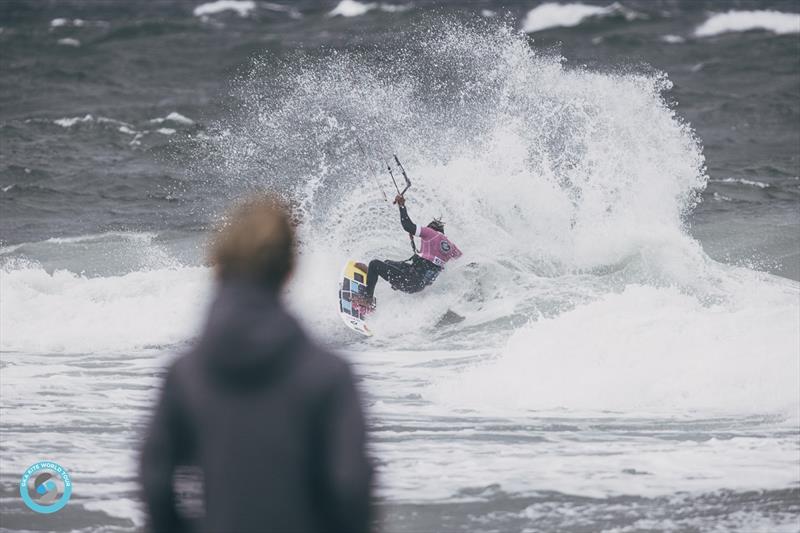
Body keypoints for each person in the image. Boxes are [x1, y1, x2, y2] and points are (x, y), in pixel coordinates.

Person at [140, 196, 372, 533]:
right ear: (290, 270)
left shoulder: (186, 374)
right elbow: (351, 486)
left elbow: (155, 480)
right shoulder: (328, 374)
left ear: (218, 264)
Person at [354, 194, 462, 307]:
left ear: (430, 228)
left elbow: (407, 226)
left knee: (374, 264)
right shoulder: (451, 247)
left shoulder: (430, 233)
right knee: (387, 263)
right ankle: (372, 274)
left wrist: (401, 205)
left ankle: (367, 299)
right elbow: (461, 260)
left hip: (409, 280)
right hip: (418, 285)